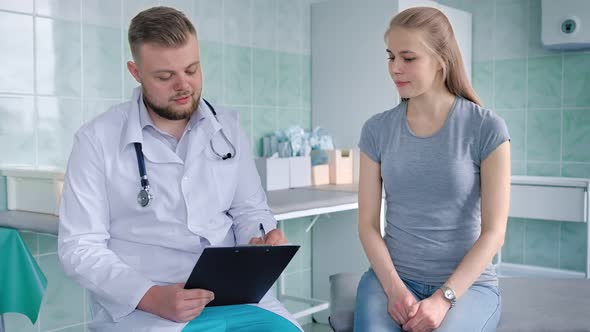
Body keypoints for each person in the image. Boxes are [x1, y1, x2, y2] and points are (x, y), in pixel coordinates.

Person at [57, 6, 301, 332]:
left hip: (236, 299)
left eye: (192, 69)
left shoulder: (227, 128)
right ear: (136, 72)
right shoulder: (96, 140)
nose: (183, 85)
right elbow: (80, 247)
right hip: (148, 311)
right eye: (165, 76)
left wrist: (259, 241)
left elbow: (249, 210)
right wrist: (150, 296)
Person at [354, 7, 510, 332]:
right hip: (393, 281)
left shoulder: (487, 128)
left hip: (468, 288)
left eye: (408, 58)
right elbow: (368, 225)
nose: (395, 68)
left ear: (441, 59)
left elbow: (494, 233)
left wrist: (444, 298)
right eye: (390, 56)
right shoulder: (376, 130)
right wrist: (395, 288)